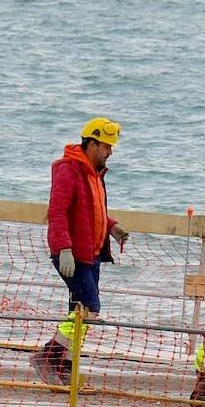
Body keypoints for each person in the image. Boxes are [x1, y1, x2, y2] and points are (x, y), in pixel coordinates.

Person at [30, 117, 130, 385]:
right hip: (73, 254)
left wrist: (111, 226)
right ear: (92, 143)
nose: (110, 151)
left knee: (79, 311)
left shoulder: (95, 173)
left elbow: (91, 211)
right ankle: (49, 357)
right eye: (107, 146)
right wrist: (63, 249)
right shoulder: (68, 170)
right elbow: (58, 211)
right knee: (90, 308)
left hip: (91, 253)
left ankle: (66, 368)